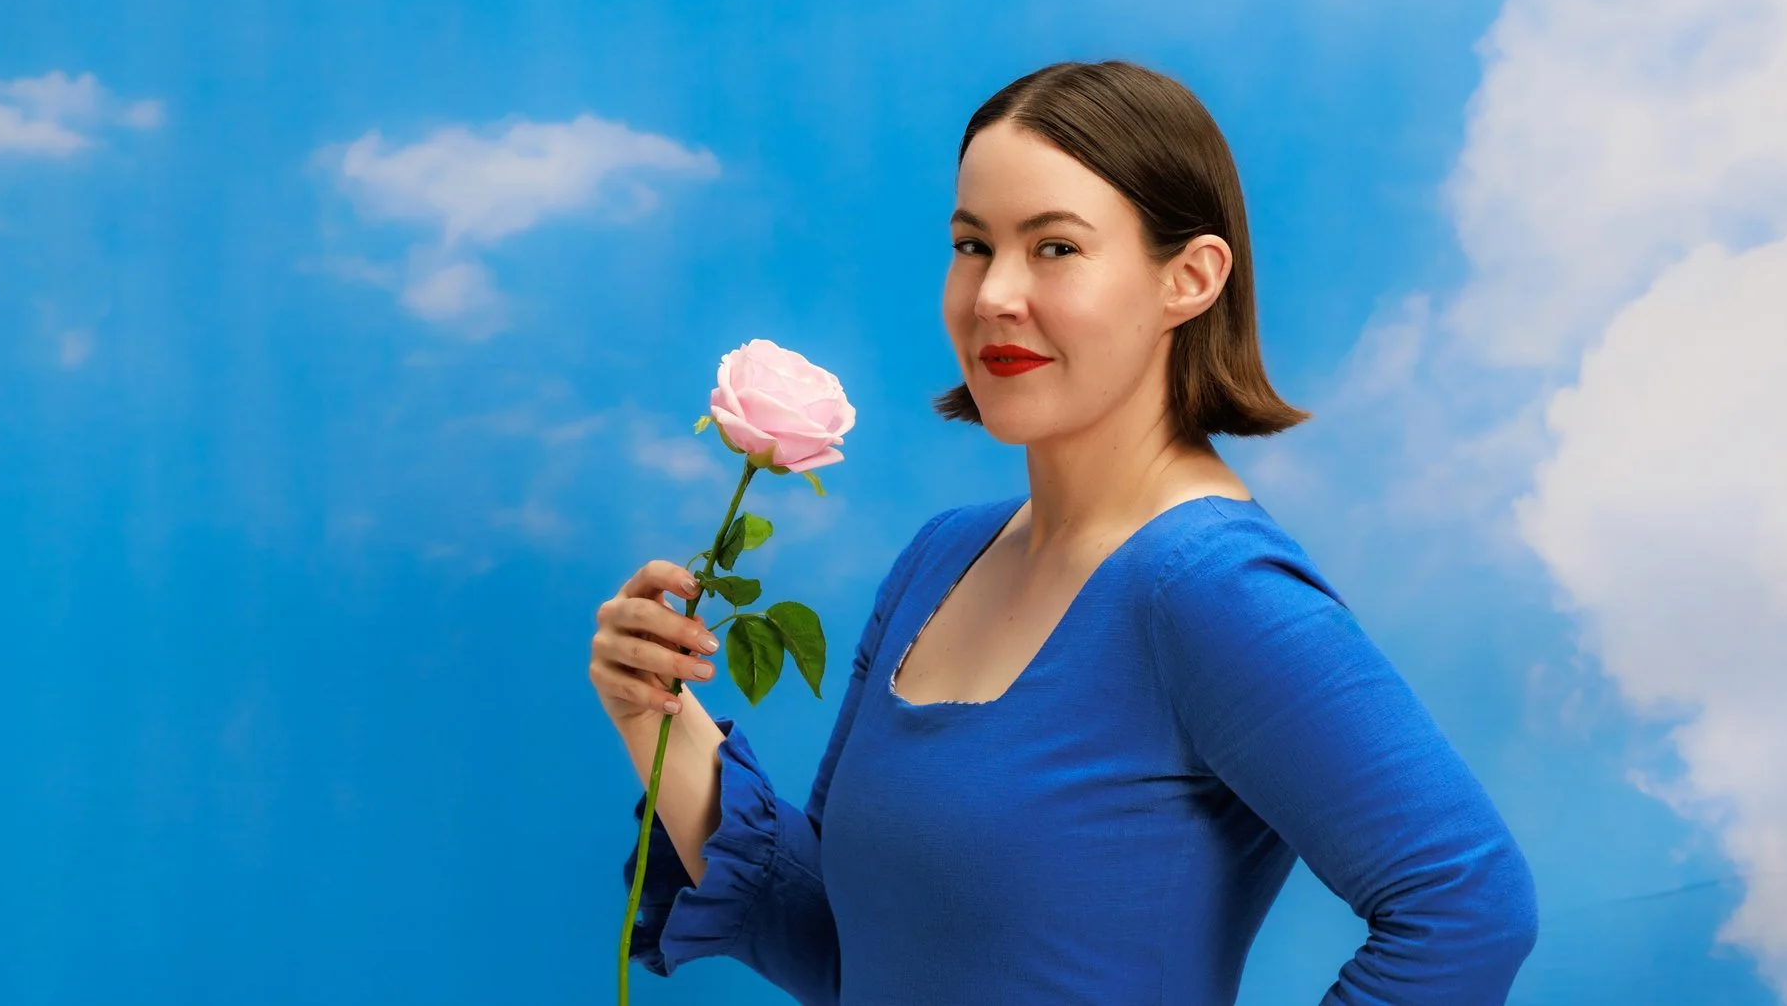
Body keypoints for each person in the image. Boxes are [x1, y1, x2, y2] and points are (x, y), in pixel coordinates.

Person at [587, 60, 1538, 1003]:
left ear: (1190, 279)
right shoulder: (940, 558)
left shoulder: (1210, 589)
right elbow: (839, 947)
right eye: (972, 245)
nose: (995, 293)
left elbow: (1468, 904)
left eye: (1055, 248)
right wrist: (657, 713)